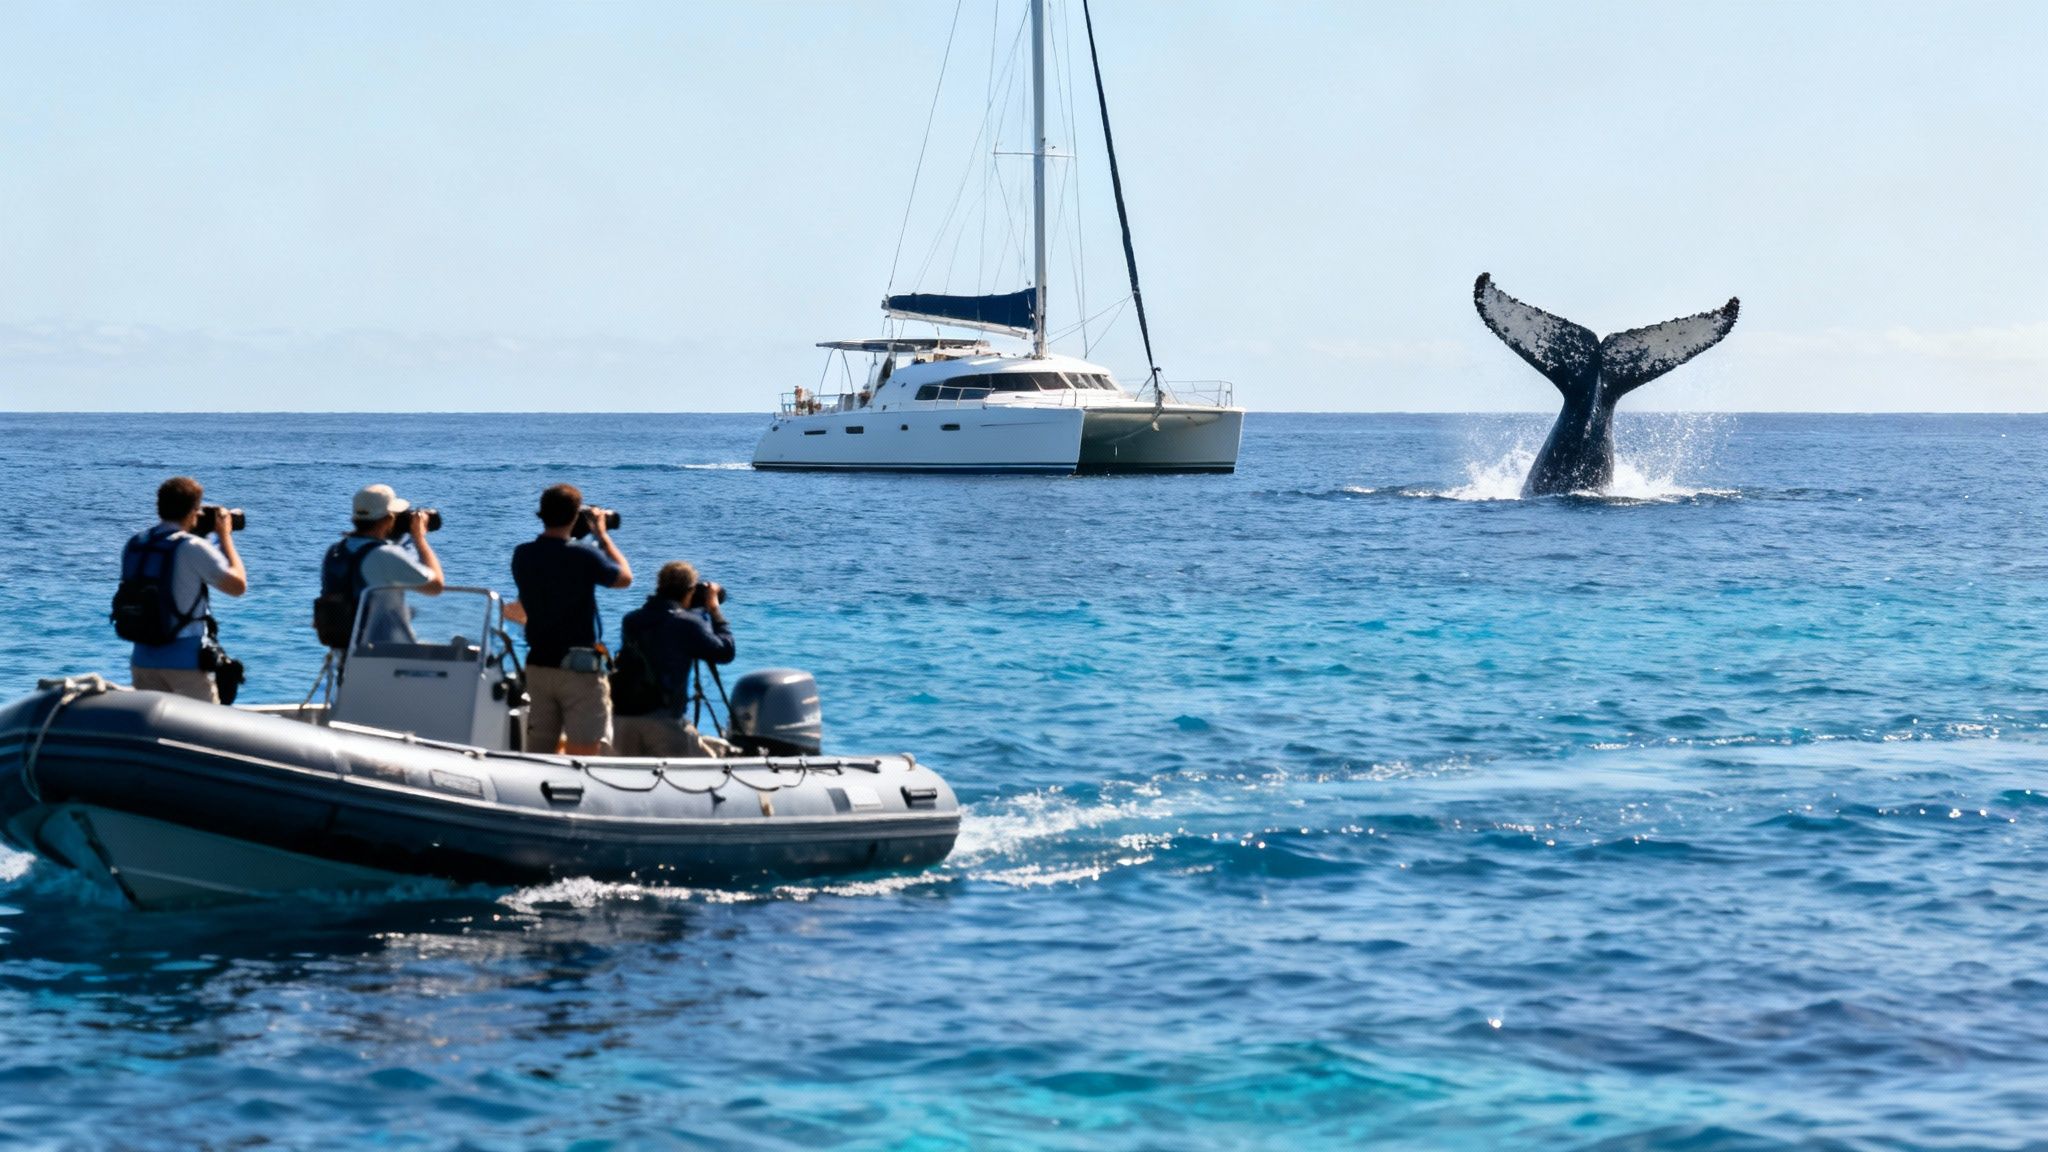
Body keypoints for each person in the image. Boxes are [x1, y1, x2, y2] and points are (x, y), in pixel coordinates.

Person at [508, 484, 632, 755]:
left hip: (539, 666)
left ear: (541, 513)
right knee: (584, 752)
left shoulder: (523, 554)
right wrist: (602, 535)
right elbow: (624, 578)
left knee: (539, 749)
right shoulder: (584, 555)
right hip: (578, 670)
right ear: (576, 516)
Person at [119, 476, 248, 702]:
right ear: (193, 511)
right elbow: (238, 586)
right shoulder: (192, 548)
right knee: (207, 733)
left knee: (157, 734)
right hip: (184, 663)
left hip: (142, 661)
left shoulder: (136, 544)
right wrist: (225, 536)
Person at [611, 561, 735, 758]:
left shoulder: (632, 620)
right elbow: (725, 652)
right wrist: (714, 610)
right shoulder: (688, 624)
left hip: (622, 717)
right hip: (663, 720)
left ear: (659, 586)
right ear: (689, 591)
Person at [318, 484, 446, 651]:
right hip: (389, 657)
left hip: (348, 655)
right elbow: (435, 586)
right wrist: (419, 538)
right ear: (389, 518)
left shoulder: (336, 551)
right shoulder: (383, 555)